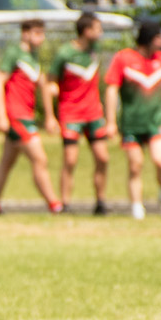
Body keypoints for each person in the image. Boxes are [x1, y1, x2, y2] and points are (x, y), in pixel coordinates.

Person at [102, 18, 161, 219]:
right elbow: (111, 89)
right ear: (148, 39)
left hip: (156, 121)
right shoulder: (124, 58)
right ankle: (137, 206)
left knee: (160, 161)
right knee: (135, 165)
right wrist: (110, 121)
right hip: (132, 123)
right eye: (159, 38)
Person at [0, 19, 63, 217]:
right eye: (37, 33)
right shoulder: (14, 53)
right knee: (40, 159)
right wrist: (1, 115)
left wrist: (50, 115)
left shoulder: (33, 57)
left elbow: (43, 85)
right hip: (16, 116)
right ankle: (54, 204)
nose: (41, 37)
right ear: (25, 34)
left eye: (42, 33)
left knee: (6, 162)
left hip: (26, 115)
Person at [51, 13, 112, 214]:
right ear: (86, 31)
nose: (100, 33)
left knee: (102, 157)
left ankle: (100, 202)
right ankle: (66, 204)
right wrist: (51, 110)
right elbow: (50, 80)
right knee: (70, 159)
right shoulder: (65, 53)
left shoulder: (95, 51)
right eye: (97, 29)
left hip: (93, 113)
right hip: (71, 112)